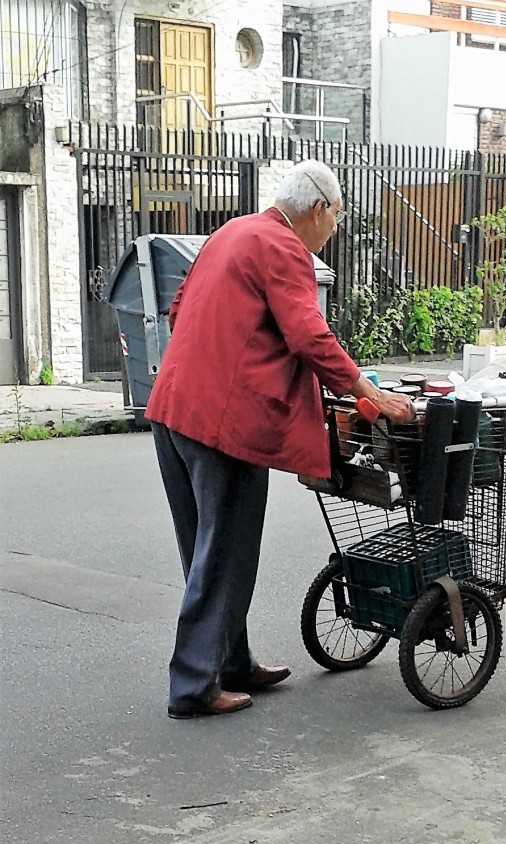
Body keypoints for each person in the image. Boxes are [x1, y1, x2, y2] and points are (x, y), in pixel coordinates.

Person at [145, 159, 414, 720]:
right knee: (225, 552)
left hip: (173, 408)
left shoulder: (232, 232)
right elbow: (310, 335)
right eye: (334, 222)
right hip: (222, 424)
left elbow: (178, 310)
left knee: (206, 549)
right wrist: (371, 391)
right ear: (319, 210)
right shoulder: (283, 246)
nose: (330, 235)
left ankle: (230, 662)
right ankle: (194, 687)